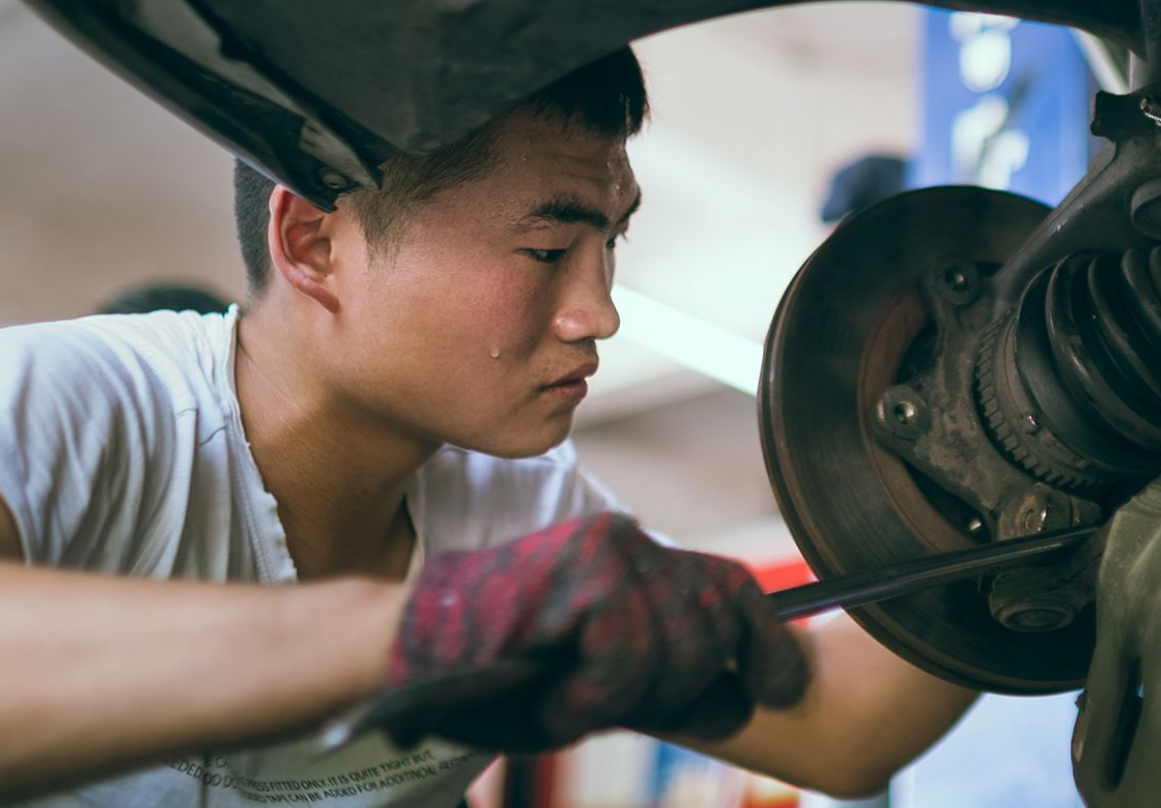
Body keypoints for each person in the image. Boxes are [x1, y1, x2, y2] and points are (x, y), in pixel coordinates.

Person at [0, 48, 974, 807]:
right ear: (313, 243)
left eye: (608, 243)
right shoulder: (72, 405)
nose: (599, 312)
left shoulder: (520, 506)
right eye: (547, 247)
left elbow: (835, 723)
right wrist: (422, 630)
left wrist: (1026, 473)